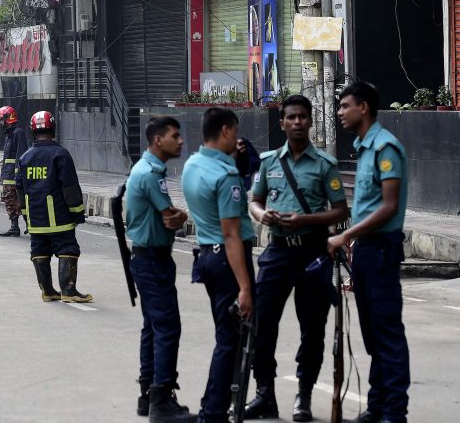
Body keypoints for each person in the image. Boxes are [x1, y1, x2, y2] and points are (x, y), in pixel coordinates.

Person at [244, 95, 349, 422]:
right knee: (261, 324)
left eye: (303, 117)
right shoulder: (270, 162)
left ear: (310, 121)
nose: (297, 122)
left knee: (313, 328)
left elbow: (340, 210)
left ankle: (303, 395)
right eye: (291, 117)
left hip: (313, 253)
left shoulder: (324, 165)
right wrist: (263, 215)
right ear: (282, 123)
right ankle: (265, 395)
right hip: (277, 252)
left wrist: (304, 220)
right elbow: (255, 201)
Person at [329, 81, 410, 423]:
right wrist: (351, 237)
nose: (340, 112)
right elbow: (367, 205)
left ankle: (394, 412)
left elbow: (389, 207)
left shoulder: (385, 148)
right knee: (372, 334)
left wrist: (347, 233)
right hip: (365, 249)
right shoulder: (364, 148)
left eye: (345, 105)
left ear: (363, 107)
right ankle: (377, 407)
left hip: (381, 251)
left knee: (387, 333)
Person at [182, 106, 257, 423]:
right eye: (236, 132)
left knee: (226, 337)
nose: (237, 138)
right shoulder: (226, 177)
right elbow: (231, 235)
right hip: (227, 260)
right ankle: (213, 412)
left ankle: (213, 406)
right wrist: (244, 287)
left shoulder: (192, 165)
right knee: (231, 342)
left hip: (207, 256)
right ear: (226, 131)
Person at [126, 116, 194, 422]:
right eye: (175, 136)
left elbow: (171, 216)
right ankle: (162, 400)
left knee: (153, 327)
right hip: (152, 260)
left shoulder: (145, 170)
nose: (180, 141)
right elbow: (171, 217)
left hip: (148, 258)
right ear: (158, 140)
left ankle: (148, 395)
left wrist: (177, 216)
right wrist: (180, 217)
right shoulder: (151, 174)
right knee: (167, 328)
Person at [15, 110, 92, 303]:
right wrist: (77, 213)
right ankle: (68, 290)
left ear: (33, 131)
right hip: (59, 216)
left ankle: (48, 291)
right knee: (68, 247)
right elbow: (70, 187)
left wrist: (25, 215)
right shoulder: (60, 154)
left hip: (35, 218)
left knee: (39, 250)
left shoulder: (25, 157)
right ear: (53, 129)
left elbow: (20, 189)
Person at [0, 105, 29, 237]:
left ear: (8, 118)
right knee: (10, 200)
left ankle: (28, 225)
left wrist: (18, 175)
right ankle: (15, 226)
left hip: (14, 177)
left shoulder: (17, 133)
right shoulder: (9, 135)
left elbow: (21, 155)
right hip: (8, 176)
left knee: (21, 202)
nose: (0, 122)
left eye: (1, 119)